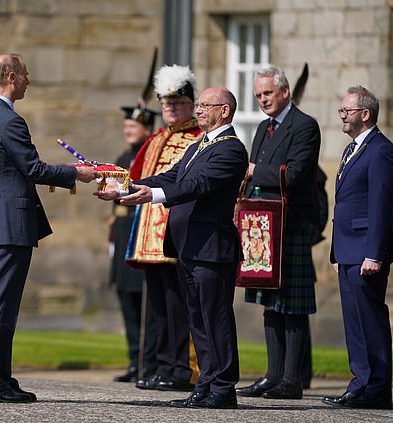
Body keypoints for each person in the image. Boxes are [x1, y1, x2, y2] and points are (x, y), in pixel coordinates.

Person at [0, 53, 99, 403]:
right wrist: (75, 174)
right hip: (8, 222)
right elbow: (33, 170)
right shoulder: (9, 121)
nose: (28, 80)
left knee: (0, 303)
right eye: (24, 74)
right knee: (1, 305)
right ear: (10, 75)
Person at [97, 86, 248, 409]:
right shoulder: (198, 146)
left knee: (215, 317)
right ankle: (206, 383)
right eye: (200, 105)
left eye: (207, 105)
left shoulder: (231, 149)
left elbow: (197, 185)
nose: (199, 110)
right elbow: (171, 176)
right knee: (197, 319)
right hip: (188, 245)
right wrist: (129, 188)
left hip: (211, 247)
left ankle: (224, 387)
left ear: (225, 110)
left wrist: (151, 197)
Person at [236, 65, 321, 400]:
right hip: (262, 225)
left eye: (267, 93)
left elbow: (298, 173)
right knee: (269, 302)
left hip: (292, 225)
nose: (262, 100)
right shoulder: (262, 128)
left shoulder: (305, 126)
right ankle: (272, 376)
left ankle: (292, 379)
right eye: (258, 95)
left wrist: (255, 170)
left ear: (284, 91)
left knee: (293, 305)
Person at [127, 65, 201, 392]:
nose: (170, 107)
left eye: (177, 101)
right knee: (157, 307)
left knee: (177, 305)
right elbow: (136, 176)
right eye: (166, 102)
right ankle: (163, 366)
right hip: (149, 234)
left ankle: (181, 369)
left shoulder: (198, 137)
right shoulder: (157, 138)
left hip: (176, 232)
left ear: (190, 103)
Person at [323, 86, 393, 410]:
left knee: (370, 319)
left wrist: (374, 253)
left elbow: (381, 205)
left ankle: (377, 387)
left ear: (365, 114)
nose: (342, 116)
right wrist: (337, 251)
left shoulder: (380, 151)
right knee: (354, 320)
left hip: (366, 250)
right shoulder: (352, 149)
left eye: (345, 111)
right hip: (348, 250)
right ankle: (360, 383)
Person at [109, 105, 157, 383]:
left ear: (147, 130)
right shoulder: (121, 158)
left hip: (141, 234)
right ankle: (133, 360)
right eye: (126, 126)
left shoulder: (148, 156)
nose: (128, 129)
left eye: (133, 126)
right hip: (123, 234)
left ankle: (147, 363)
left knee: (146, 303)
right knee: (127, 300)